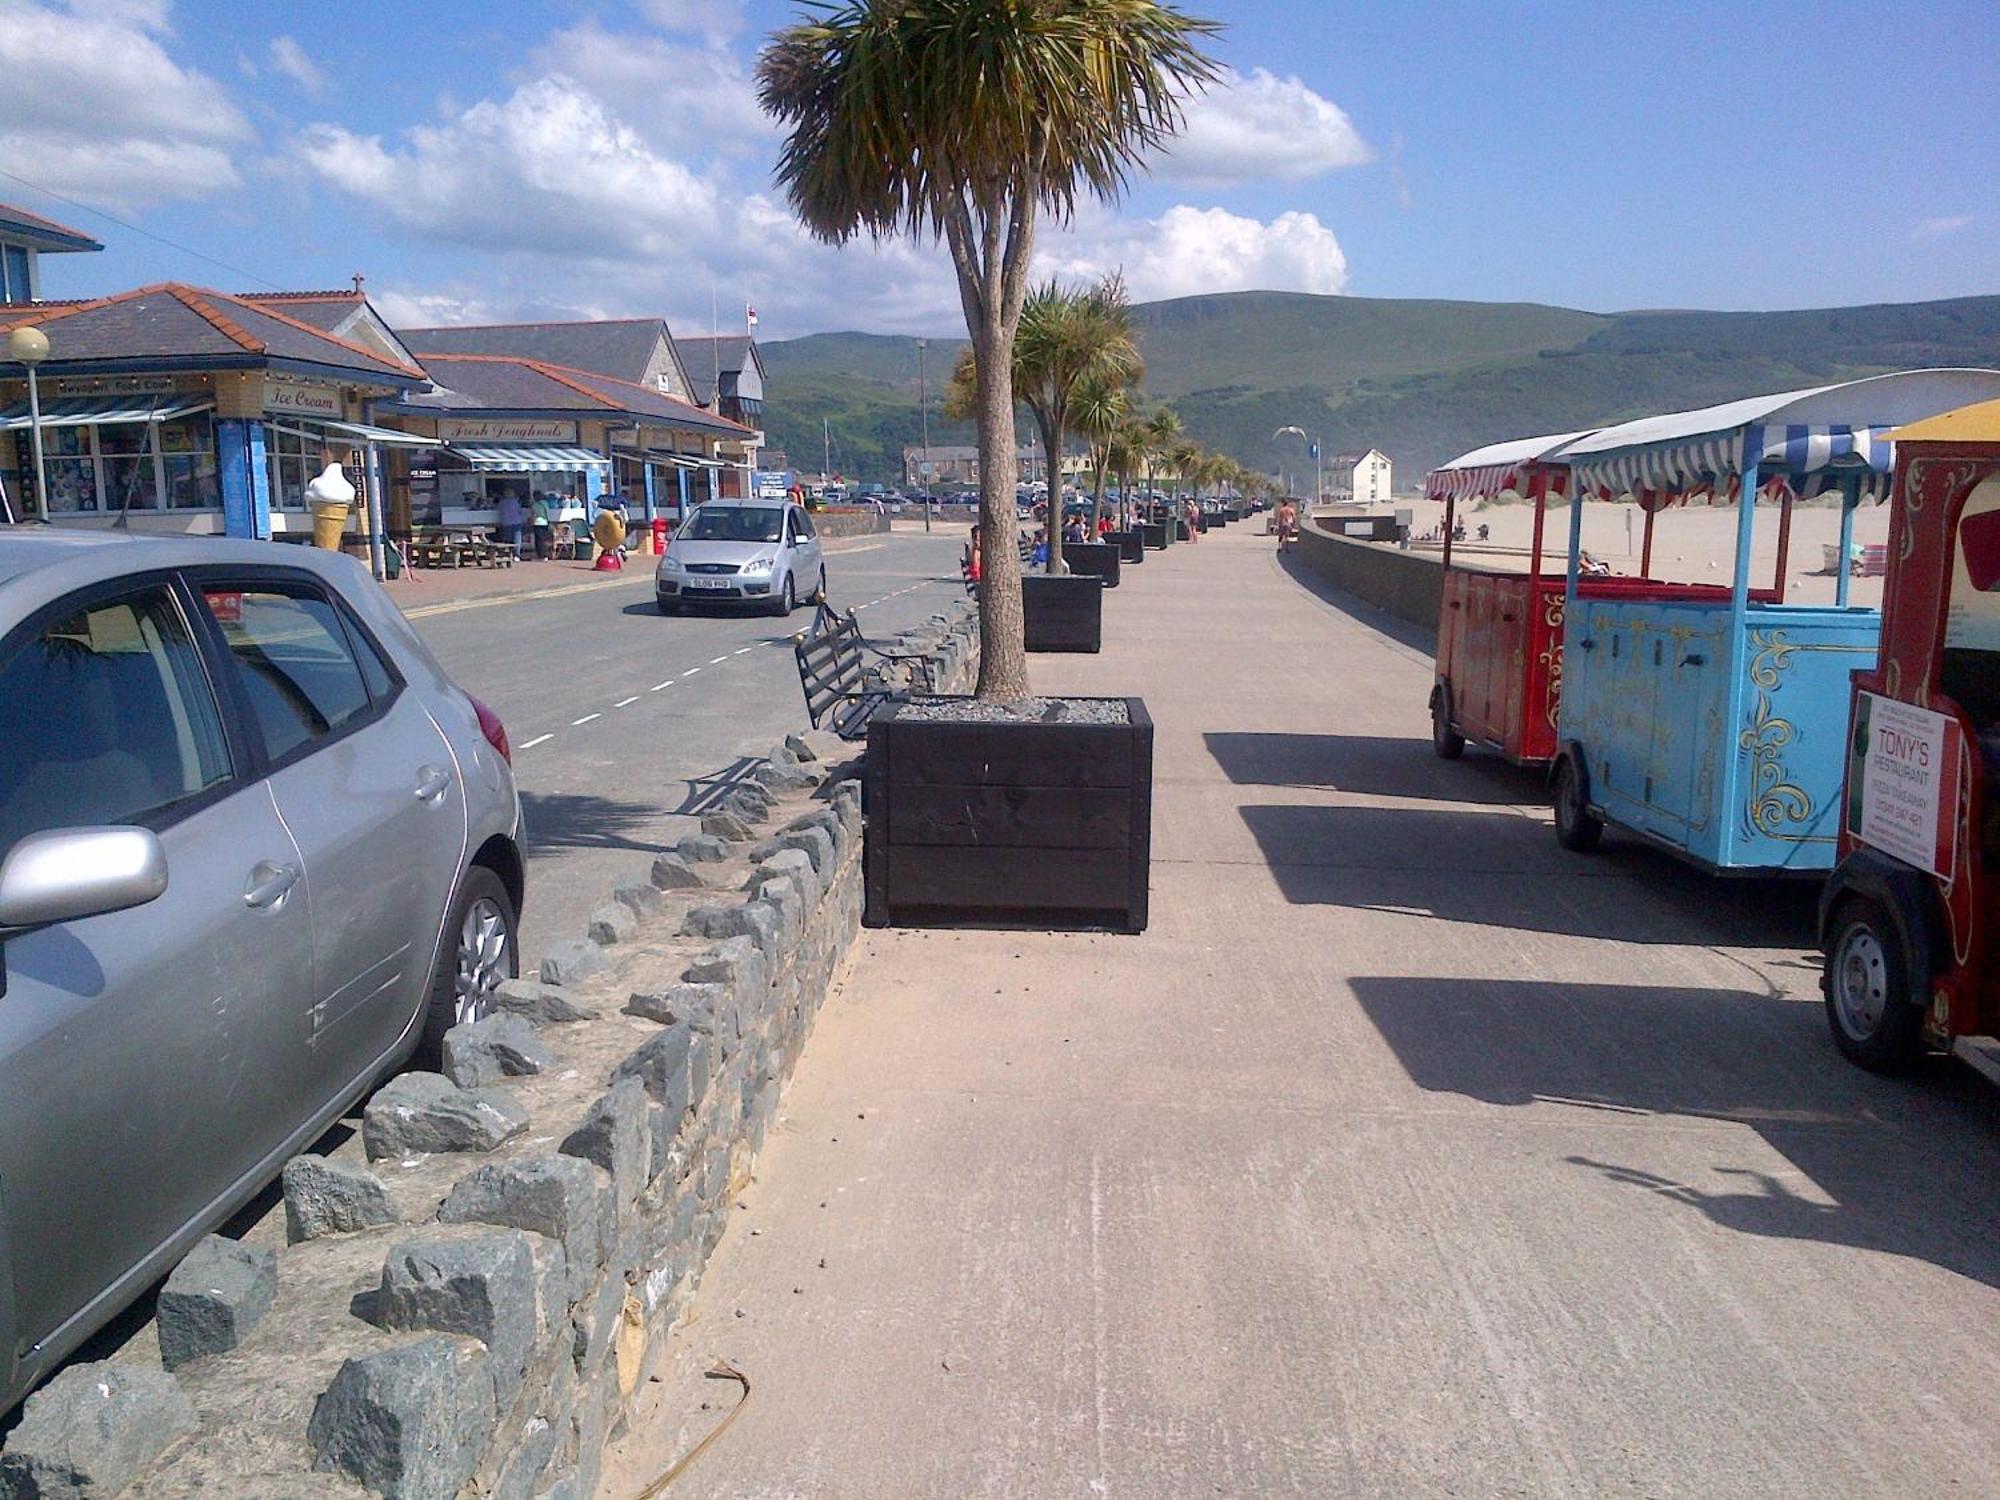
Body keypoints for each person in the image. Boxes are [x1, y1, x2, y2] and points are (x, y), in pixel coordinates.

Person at [495, 488, 525, 555]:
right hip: (517, 522)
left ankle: (508, 553)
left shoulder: (502, 502)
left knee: (507, 539)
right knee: (517, 538)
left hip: (507, 523)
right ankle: (517, 554)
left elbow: (499, 511)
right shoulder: (516, 501)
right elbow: (520, 511)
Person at [529, 492, 553, 560]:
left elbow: (534, 515)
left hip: (537, 523)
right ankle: (545, 555)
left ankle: (541, 555)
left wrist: (531, 523)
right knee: (544, 539)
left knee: (539, 540)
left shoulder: (534, 505)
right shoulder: (545, 503)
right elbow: (547, 513)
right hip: (545, 522)